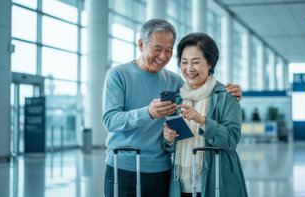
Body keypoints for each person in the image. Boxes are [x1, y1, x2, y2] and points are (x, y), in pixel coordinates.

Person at [102, 19, 242, 197]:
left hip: (164, 172)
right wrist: (148, 113)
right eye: (157, 48)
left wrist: (232, 92)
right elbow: (110, 121)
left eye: (168, 50)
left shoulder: (175, 83)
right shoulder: (118, 75)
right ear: (140, 44)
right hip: (124, 167)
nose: (163, 56)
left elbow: (200, 93)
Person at [162, 33, 248, 197]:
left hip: (217, 182)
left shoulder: (227, 96)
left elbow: (231, 139)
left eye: (196, 62)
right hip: (182, 185)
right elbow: (171, 146)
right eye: (184, 62)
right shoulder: (179, 97)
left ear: (210, 63)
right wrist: (169, 138)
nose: (189, 69)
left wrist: (202, 120)